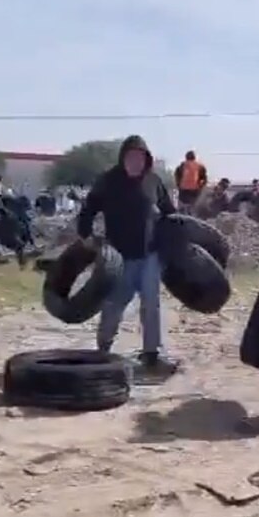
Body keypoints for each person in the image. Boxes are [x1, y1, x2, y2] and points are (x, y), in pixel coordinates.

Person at [76, 136, 177, 372]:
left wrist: (174, 243)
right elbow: (88, 209)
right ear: (123, 158)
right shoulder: (108, 181)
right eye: (131, 156)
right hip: (120, 257)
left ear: (147, 159)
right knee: (115, 303)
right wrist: (86, 236)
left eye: (140, 157)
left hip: (150, 254)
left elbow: (170, 214)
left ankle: (152, 353)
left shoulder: (153, 182)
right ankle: (104, 347)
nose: (135, 162)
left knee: (151, 304)